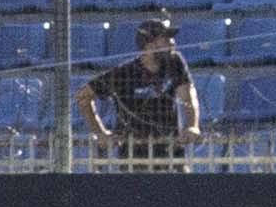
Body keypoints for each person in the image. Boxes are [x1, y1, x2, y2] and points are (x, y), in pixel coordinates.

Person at [73, 17, 199, 169]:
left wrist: (192, 125)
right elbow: (83, 96)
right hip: (133, 154)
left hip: (170, 150)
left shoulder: (174, 62)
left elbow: (188, 96)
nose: (172, 43)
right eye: (165, 39)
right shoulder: (125, 73)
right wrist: (100, 132)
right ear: (149, 45)